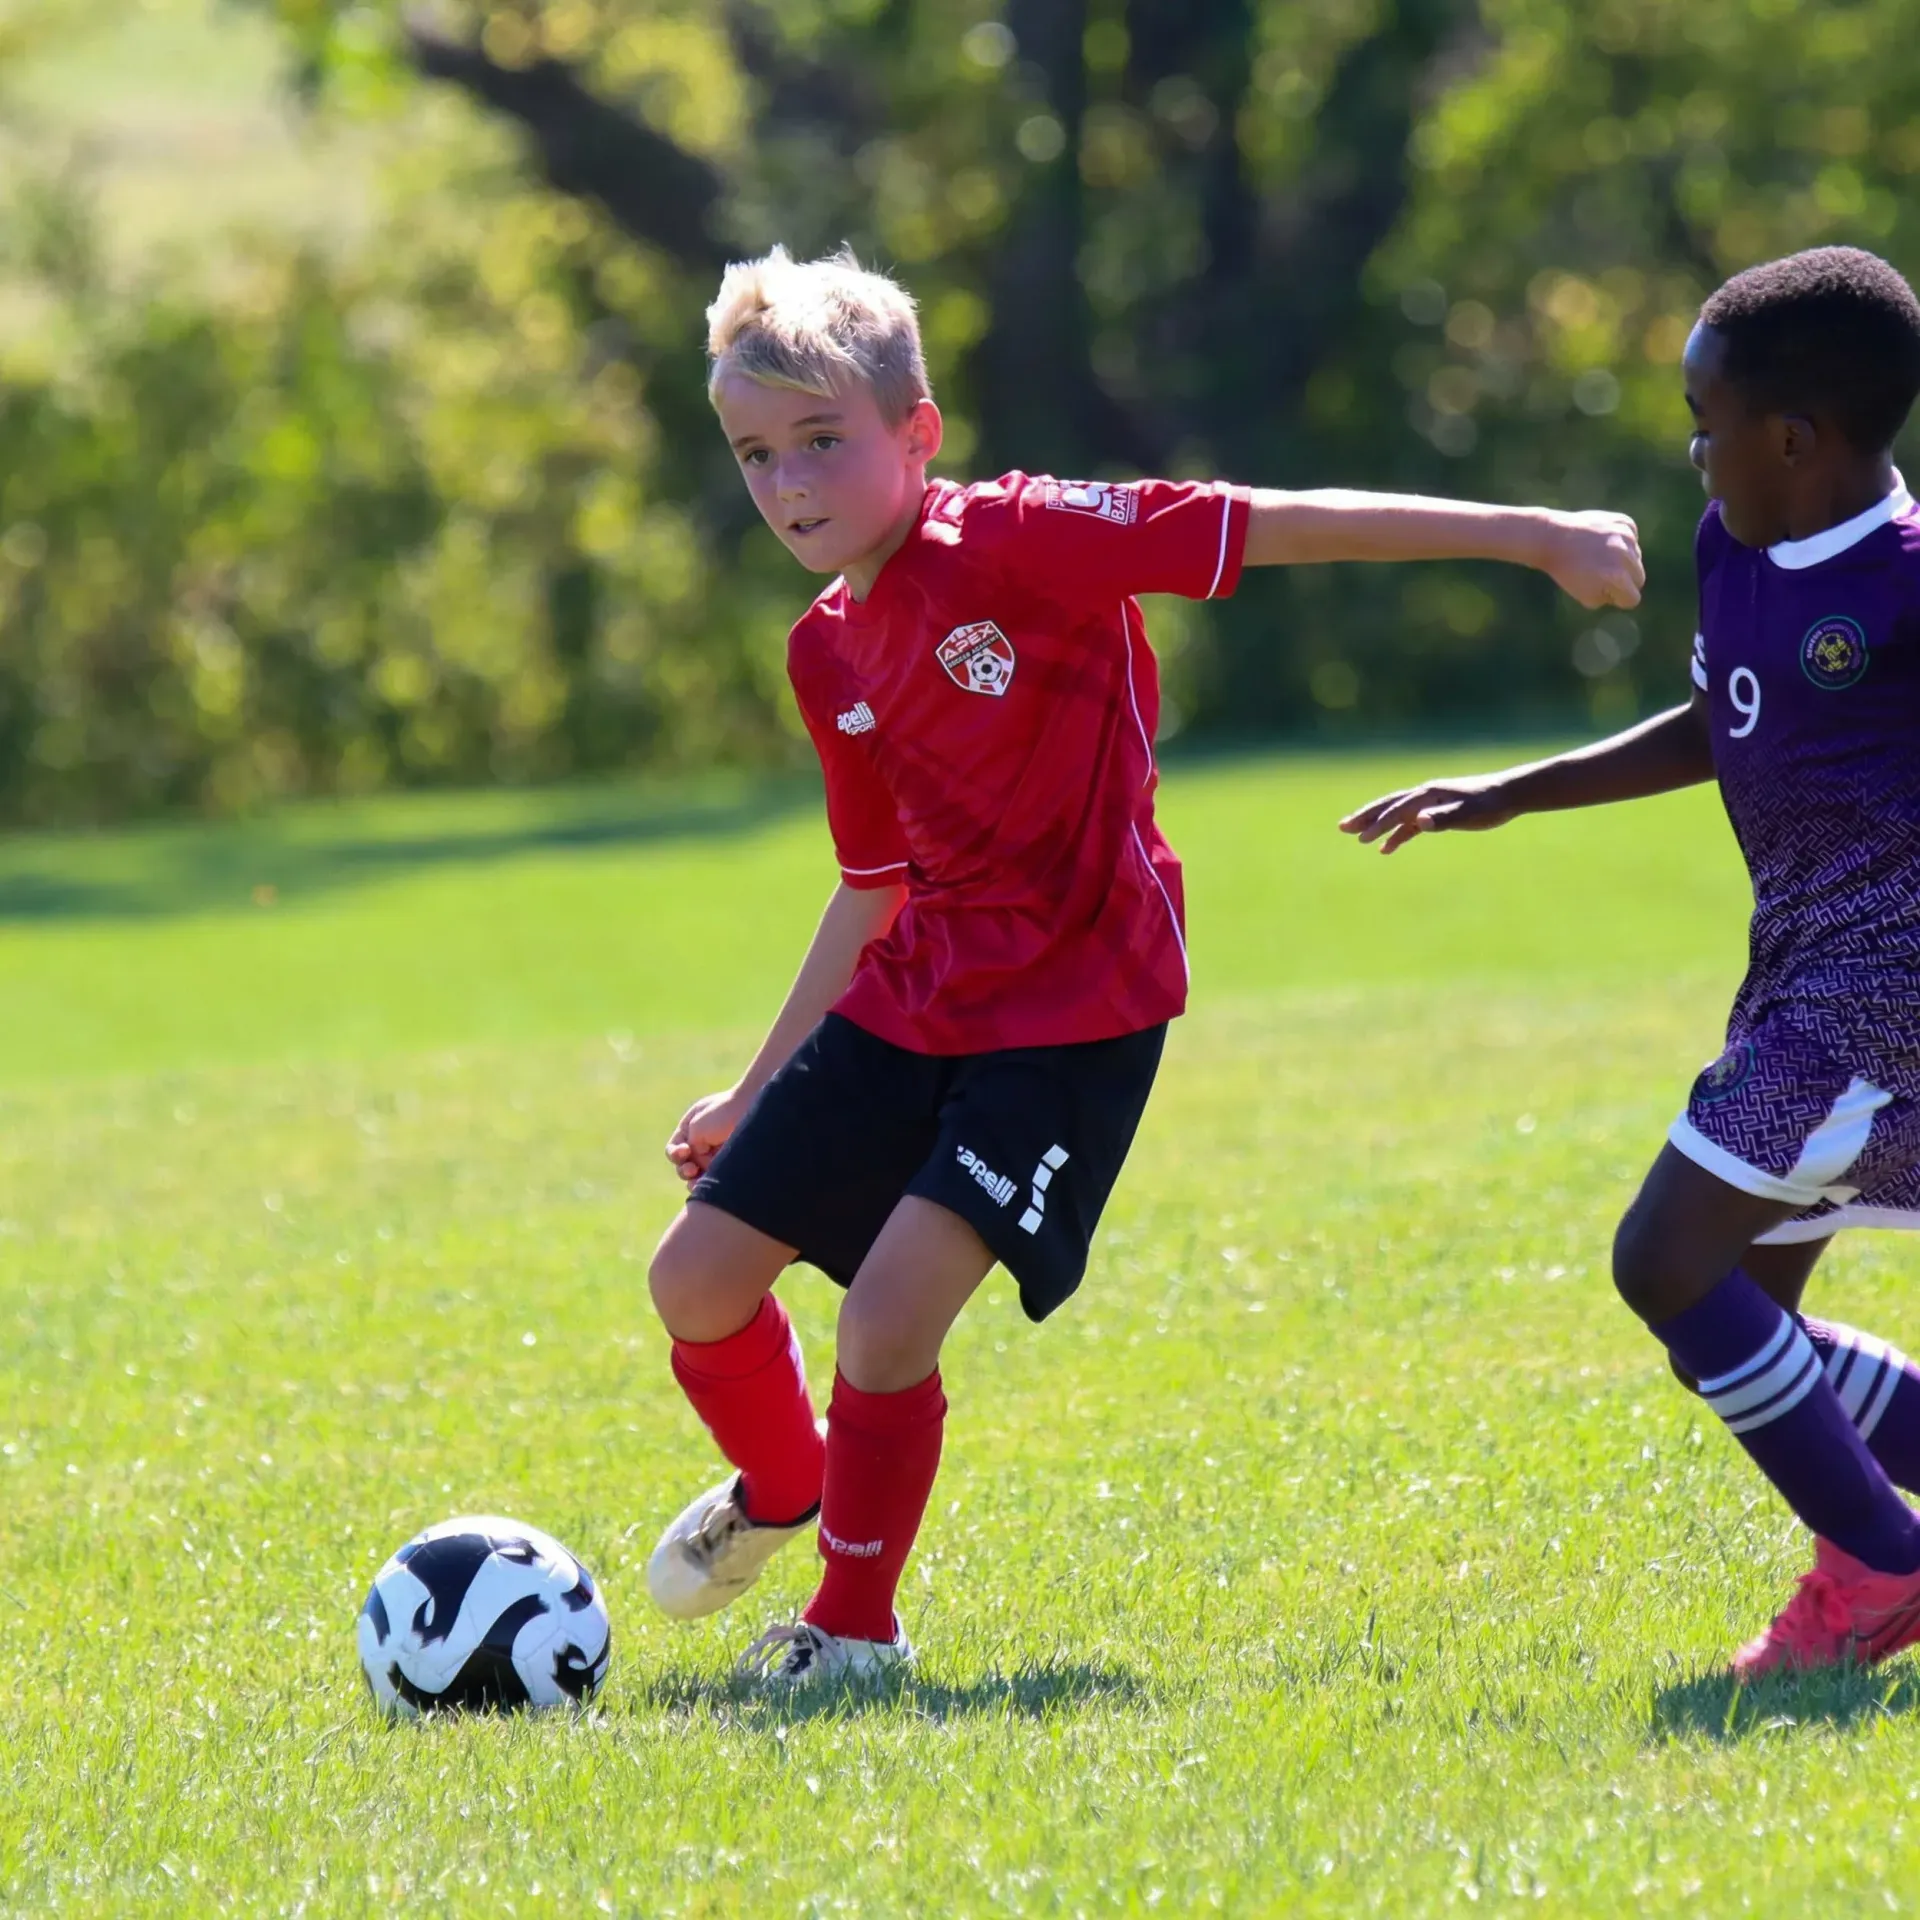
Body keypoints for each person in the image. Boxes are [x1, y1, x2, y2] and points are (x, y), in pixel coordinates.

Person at [647, 243, 1644, 1688]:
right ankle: (790, 1486)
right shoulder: (829, 650)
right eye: (756, 455)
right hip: (924, 985)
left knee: (886, 1318)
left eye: (821, 441)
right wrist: (755, 1089)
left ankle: (853, 1632)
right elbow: (874, 886)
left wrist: (1537, 535)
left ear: (917, 433)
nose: (788, 484)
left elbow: (1269, 523)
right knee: (695, 1282)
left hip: (1076, 1005)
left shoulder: (1027, 535)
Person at [1342, 246, 1920, 1678]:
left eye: (1707, 422)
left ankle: (1878, 1568)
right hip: (1798, 983)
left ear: (1797, 440)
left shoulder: (1906, 588)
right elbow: (1727, 719)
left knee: (1663, 1258)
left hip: (1880, 1005)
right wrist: (1516, 791)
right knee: (1738, 1317)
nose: (1693, 450)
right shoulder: (1737, 548)